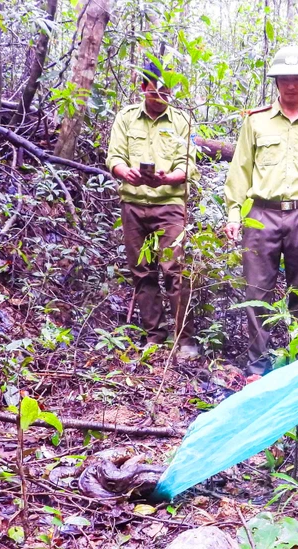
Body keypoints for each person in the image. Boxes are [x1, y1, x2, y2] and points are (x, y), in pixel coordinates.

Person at [223, 46, 298, 379]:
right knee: (257, 290)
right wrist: (234, 215)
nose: (291, 85)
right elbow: (239, 172)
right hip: (261, 215)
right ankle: (259, 363)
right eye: (285, 79)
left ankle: (297, 361)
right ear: (276, 82)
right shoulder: (256, 122)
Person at [106, 61, 199, 360]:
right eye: (154, 90)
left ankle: (184, 339)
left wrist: (171, 177)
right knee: (142, 272)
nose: (160, 96)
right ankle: (154, 336)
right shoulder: (126, 118)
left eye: (165, 91)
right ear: (143, 88)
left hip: (169, 205)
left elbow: (189, 163)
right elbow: (114, 156)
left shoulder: (182, 120)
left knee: (175, 271)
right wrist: (124, 172)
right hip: (133, 204)